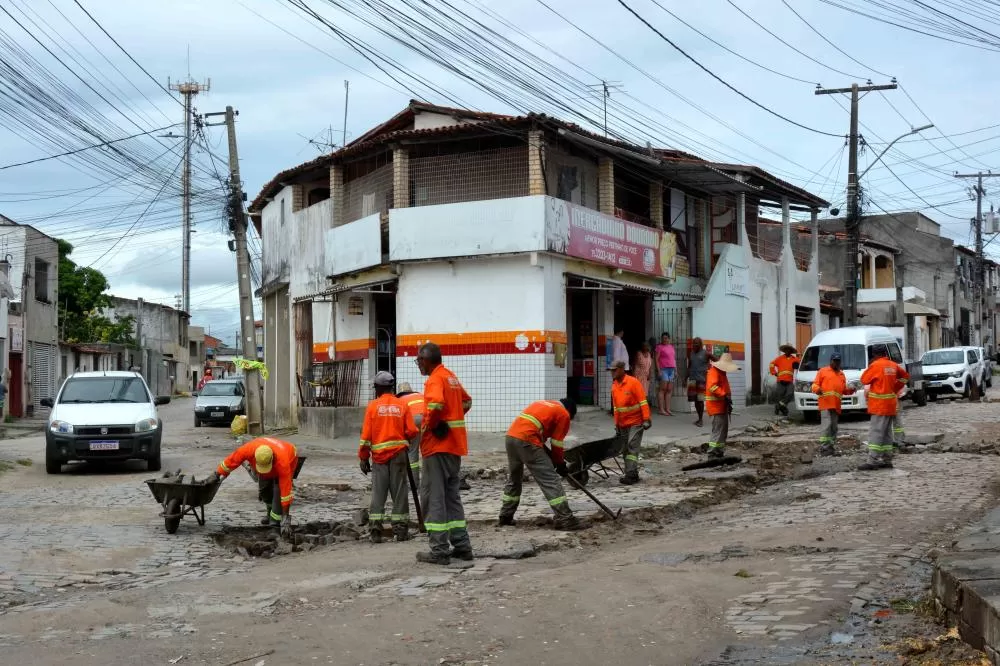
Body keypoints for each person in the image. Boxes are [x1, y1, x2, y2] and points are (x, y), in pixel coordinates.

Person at [416, 342, 473, 565]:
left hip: (436, 448)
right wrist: (450, 419)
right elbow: (466, 401)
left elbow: (437, 404)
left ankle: (439, 549)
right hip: (453, 447)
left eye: (419, 360)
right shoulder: (450, 377)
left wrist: (433, 424)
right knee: (452, 498)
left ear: (427, 360)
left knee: (433, 498)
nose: (418, 364)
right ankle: (462, 546)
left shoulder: (435, 379)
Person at [499, 399, 584, 531]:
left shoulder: (542, 404)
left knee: (514, 479)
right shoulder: (564, 414)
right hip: (528, 441)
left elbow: (538, 438)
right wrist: (560, 463)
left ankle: (505, 515)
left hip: (511, 438)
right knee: (550, 480)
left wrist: (553, 459)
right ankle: (566, 519)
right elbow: (557, 443)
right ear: (570, 412)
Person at [360, 371, 419, 543]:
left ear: (378, 388)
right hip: (399, 455)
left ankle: (376, 531)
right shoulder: (402, 405)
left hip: (379, 457)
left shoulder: (372, 407)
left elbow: (366, 436)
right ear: (391, 387)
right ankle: (400, 530)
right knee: (399, 492)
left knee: (378, 494)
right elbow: (412, 431)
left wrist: (364, 457)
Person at [209, 437, 299, 538]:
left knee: (278, 492)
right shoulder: (248, 449)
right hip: (270, 459)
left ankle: (275, 524)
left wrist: (285, 517)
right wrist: (217, 474)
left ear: (272, 458)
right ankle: (270, 512)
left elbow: (285, 492)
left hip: (290, 456)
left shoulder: (283, 463)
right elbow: (232, 460)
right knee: (264, 491)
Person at [858, 346, 909, 471]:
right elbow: (905, 377)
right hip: (890, 404)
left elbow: (864, 379)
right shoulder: (893, 365)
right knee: (886, 433)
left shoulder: (875, 365)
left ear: (875, 355)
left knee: (876, 433)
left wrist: (871, 365)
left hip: (879, 405)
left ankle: (872, 461)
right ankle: (887, 459)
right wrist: (895, 387)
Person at [611, 360, 651, 485]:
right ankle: (631, 472)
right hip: (623, 423)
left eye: (615, 370)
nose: (612, 372)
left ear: (622, 369)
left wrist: (646, 419)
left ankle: (631, 474)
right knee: (625, 449)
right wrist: (616, 424)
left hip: (636, 421)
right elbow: (616, 408)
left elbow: (643, 401)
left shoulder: (633, 383)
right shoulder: (614, 386)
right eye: (611, 370)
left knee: (632, 447)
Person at [811, 353, 852, 456]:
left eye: (838, 361)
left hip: (836, 405)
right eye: (834, 361)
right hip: (825, 403)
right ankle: (824, 448)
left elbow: (843, 390)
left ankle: (831, 447)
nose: (836, 363)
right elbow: (815, 384)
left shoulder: (842, 374)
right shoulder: (823, 371)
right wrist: (817, 389)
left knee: (834, 427)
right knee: (826, 425)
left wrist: (851, 390)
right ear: (831, 361)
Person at [705, 353, 739, 458]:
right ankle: (712, 452)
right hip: (716, 407)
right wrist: (724, 395)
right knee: (717, 430)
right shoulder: (714, 372)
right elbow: (712, 387)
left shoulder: (721, 373)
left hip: (721, 406)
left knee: (723, 430)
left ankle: (719, 450)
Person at [396, 382, 424, 490]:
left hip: (413, 419)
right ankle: (430, 482)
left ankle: (414, 484)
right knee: (428, 451)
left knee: (412, 452)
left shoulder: (399, 400)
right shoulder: (420, 395)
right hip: (427, 417)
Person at [769, 344, 799, 416]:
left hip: (789, 381)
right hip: (780, 380)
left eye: (789, 349)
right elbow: (771, 364)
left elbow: (799, 365)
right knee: (780, 396)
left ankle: (779, 405)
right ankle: (783, 409)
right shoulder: (780, 358)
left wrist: (798, 358)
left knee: (790, 393)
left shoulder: (794, 359)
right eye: (786, 349)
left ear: (791, 351)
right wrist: (774, 372)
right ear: (784, 350)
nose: (787, 351)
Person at [687, 338, 710, 428]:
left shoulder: (705, 353)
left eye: (696, 343)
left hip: (701, 381)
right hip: (692, 380)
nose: (694, 345)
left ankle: (701, 420)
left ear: (700, 344)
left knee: (700, 400)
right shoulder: (691, 354)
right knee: (695, 401)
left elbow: (715, 359)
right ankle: (699, 418)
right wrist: (685, 377)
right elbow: (689, 366)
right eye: (694, 344)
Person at [655, 332, 676, 416]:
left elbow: (673, 359)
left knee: (669, 390)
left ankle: (668, 409)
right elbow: (656, 359)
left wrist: (676, 370)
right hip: (664, 370)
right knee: (662, 389)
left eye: (666, 338)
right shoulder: (659, 347)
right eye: (663, 338)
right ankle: (661, 409)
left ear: (669, 338)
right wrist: (659, 370)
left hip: (672, 370)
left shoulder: (671, 347)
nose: (665, 340)